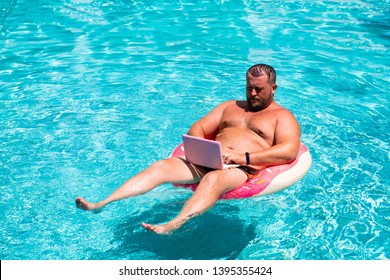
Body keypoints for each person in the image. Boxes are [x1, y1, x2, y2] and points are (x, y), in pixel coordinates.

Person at [75, 64, 301, 234]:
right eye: (249, 88)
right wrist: (202, 147)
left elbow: (289, 150)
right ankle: (100, 204)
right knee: (161, 167)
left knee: (213, 180)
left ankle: (173, 224)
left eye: (259, 89)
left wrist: (242, 156)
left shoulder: (282, 117)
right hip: (210, 158)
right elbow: (199, 127)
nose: (252, 94)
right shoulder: (230, 107)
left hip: (241, 167)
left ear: (274, 88)